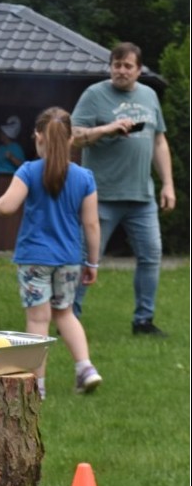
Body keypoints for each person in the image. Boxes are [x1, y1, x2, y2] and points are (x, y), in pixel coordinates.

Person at [0, 107, 102, 399]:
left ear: (37, 137)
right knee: (65, 314)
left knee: (39, 320)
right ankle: (85, 368)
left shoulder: (28, 171)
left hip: (33, 259)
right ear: (70, 139)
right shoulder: (84, 177)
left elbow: (6, 207)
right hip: (69, 259)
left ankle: (36, 386)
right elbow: (91, 224)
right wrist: (92, 261)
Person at [71, 42, 176, 336]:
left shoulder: (149, 95)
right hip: (100, 195)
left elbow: (158, 141)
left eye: (128, 66)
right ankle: (70, 317)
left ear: (139, 70)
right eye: (116, 65)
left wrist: (167, 183)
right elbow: (74, 137)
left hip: (142, 196)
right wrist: (106, 129)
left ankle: (143, 320)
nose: (121, 71)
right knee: (87, 257)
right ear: (110, 67)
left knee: (151, 254)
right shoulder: (94, 95)